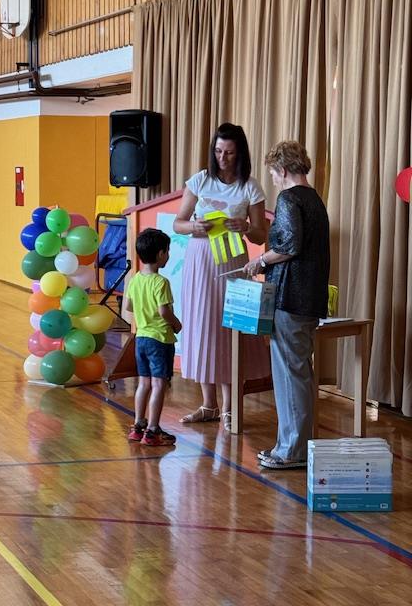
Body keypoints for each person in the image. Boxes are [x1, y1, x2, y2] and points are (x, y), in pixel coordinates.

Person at [173, 123, 270, 430]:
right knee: (203, 325)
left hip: (233, 260)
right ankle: (208, 404)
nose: (222, 158)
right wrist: (194, 227)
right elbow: (178, 223)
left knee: (231, 328)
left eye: (228, 153)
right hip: (200, 259)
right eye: (217, 151)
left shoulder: (250, 186)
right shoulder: (200, 180)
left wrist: (246, 228)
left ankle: (230, 407)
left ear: (239, 153)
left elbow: (261, 235)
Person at [244, 140, 330, 469]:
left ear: (281, 169)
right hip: (308, 299)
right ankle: (293, 446)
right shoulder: (314, 198)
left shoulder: (289, 198)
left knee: (290, 376)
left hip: (291, 298)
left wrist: (260, 261)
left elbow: (290, 244)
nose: (273, 179)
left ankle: (291, 451)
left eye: (272, 173)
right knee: (299, 374)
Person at [124, 228, 182, 446]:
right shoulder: (161, 282)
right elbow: (163, 311)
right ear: (160, 254)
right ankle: (153, 430)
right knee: (159, 384)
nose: (168, 256)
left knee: (144, 383)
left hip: (141, 338)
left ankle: (138, 426)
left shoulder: (135, 280)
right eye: (167, 251)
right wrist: (176, 324)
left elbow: (128, 306)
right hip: (160, 339)